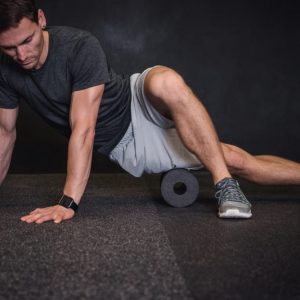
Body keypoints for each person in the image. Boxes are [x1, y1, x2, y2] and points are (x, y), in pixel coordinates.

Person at [0, 0, 299, 224]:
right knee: (235, 158)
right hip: (129, 141)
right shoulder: (6, 71)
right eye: (10, 48)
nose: (22, 55)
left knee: (167, 82)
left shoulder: (78, 47)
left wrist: (68, 202)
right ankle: (234, 173)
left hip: (135, 97)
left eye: (27, 41)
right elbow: (5, 133)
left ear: (41, 19)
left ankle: (225, 185)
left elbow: (84, 129)